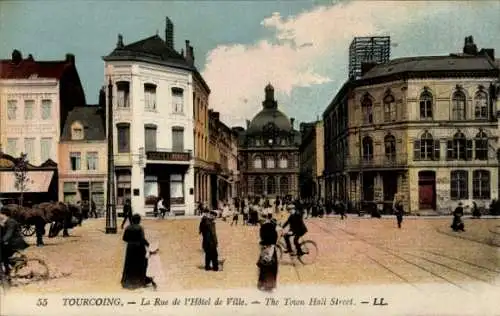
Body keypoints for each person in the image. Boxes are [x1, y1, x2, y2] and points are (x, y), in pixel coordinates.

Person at [121, 214, 157, 290]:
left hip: (130, 248)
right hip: (139, 247)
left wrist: (131, 241)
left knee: (130, 264)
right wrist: (149, 245)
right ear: (138, 220)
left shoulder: (127, 227)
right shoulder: (140, 228)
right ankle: (141, 281)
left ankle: (130, 280)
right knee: (142, 263)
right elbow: (142, 239)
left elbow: (124, 239)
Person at [0, 210, 29, 283]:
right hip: (11, 243)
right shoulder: (6, 222)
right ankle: (7, 270)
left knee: (3, 255)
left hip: (16, 243)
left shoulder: (11, 222)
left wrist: (2, 240)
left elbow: (9, 234)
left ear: (4, 214)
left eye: (0, 214)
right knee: (3, 256)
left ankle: (17, 261)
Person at [257, 213, 278, 292]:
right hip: (270, 248)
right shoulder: (271, 226)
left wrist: (263, 246)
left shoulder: (263, 228)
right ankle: (272, 286)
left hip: (266, 248)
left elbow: (262, 239)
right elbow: (274, 240)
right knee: (272, 267)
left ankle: (262, 285)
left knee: (263, 266)